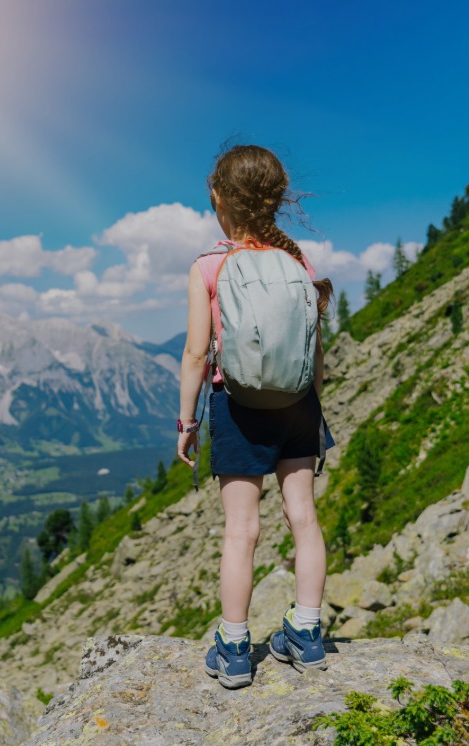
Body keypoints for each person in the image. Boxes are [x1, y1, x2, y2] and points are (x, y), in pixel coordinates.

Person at [176, 144, 334, 688]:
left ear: (220, 199)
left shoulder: (209, 266)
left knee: (242, 531)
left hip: (237, 408)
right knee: (303, 518)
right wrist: (311, 408)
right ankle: (308, 633)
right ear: (276, 199)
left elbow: (197, 353)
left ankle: (236, 647)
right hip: (296, 406)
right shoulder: (298, 264)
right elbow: (315, 352)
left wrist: (187, 423)